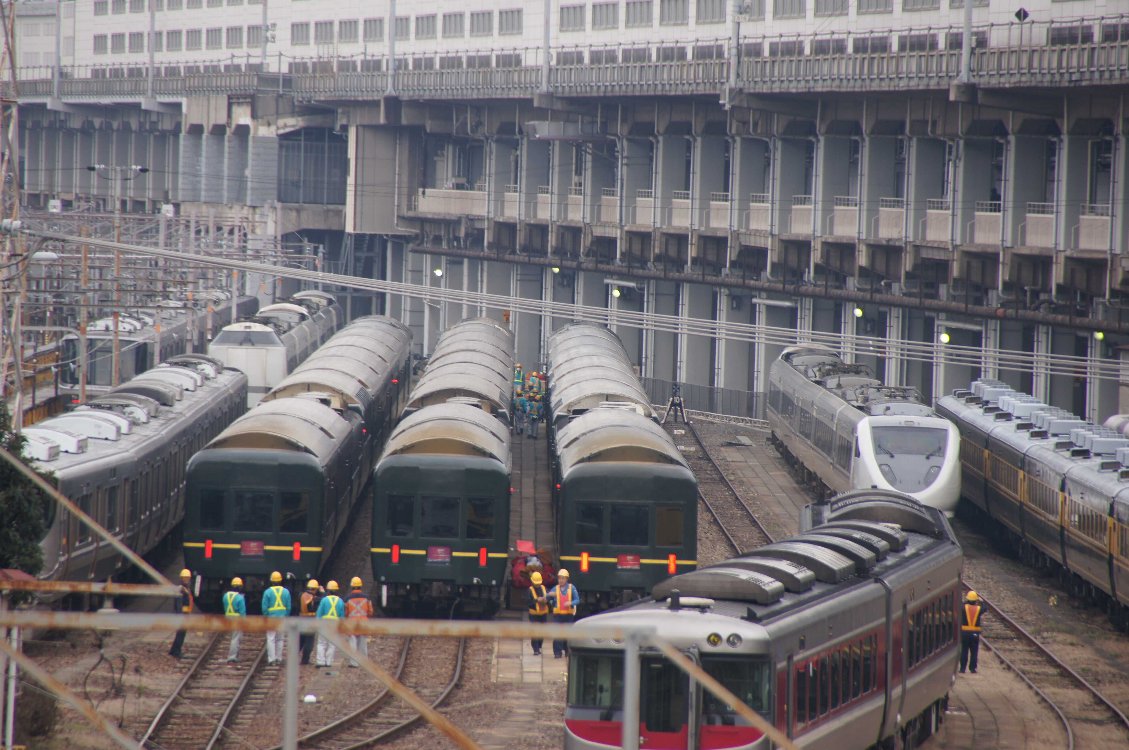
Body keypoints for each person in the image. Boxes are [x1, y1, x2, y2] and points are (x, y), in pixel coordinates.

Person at [261, 571, 292, 666]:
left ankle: (271, 659)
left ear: (271, 581)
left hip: (271, 618)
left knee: (271, 638)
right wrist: (286, 615)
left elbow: (264, 607)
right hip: (282, 618)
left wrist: (266, 615)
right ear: (280, 581)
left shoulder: (267, 592)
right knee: (280, 639)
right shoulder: (286, 592)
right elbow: (289, 607)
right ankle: (279, 658)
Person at [548, 568, 578, 659]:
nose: (561, 580)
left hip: (568, 616)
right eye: (559, 578)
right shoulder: (555, 589)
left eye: (563, 578)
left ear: (566, 579)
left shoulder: (572, 588)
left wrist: (571, 603)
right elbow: (547, 597)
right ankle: (557, 652)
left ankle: (567, 650)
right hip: (558, 616)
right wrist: (550, 596)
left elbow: (577, 600)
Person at [344, 576, 375, 667]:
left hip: (352, 623)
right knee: (363, 643)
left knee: (353, 642)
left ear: (352, 586)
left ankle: (354, 663)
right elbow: (370, 611)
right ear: (361, 586)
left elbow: (346, 613)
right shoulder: (366, 598)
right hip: (363, 623)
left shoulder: (347, 599)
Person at [315, 580, 345, 668]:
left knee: (321, 643)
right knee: (331, 644)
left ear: (328, 590)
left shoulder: (324, 600)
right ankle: (329, 662)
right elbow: (342, 616)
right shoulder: (340, 601)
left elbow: (319, 613)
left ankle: (320, 662)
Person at [168, 569, 195, 659]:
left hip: (185, 614)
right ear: (182, 578)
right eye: (185, 578)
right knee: (181, 633)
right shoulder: (181, 589)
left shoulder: (186, 588)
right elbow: (178, 603)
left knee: (180, 633)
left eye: (187, 578)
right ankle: (176, 651)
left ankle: (173, 650)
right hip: (182, 615)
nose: (187, 579)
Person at [222, 577, 247, 663]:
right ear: (240, 587)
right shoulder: (240, 598)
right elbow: (242, 612)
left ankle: (233, 655)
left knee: (233, 637)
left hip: (228, 618)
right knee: (236, 638)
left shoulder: (225, 596)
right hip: (237, 618)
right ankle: (232, 656)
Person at [960, 590, 985, 674]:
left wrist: (965, 601)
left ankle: (962, 669)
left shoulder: (963, 608)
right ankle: (972, 669)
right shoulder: (978, 609)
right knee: (974, 652)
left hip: (964, 633)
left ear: (968, 600)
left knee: (964, 651)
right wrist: (982, 602)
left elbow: (961, 605)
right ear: (975, 601)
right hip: (975, 634)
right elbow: (985, 608)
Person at [299, 579, 321, 665]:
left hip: (301, 620)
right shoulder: (314, 598)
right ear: (315, 589)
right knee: (309, 641)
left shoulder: (302, 595)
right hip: (310, 621)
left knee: (300, 640)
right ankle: (305, 660)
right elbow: (324, 599)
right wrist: (323, 592)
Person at [527, 571, 549, 656]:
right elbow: (528, 602)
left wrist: (546, 600)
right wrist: (536, 600)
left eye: (538, 583)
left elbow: (549, 598)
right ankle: (535, 649)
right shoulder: (530, 590)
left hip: (543, 614)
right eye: (536, 583)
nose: (537, 585)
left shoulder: (544, 588)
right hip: (534, 615)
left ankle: (539, 646)